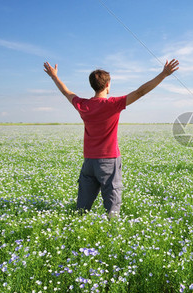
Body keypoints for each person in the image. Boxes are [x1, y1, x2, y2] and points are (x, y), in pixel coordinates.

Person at [43, 59, 179, 218]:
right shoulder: (113, 104)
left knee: (83, 204)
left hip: (89, 161)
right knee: (112, 200)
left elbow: (67, 92)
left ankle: (78, 221)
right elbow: (140, 92)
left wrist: (54, 77)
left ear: (92, 86)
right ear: (107, 85)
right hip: (109, 160)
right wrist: (163, 74)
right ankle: (112, 229)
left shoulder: (83, 105)